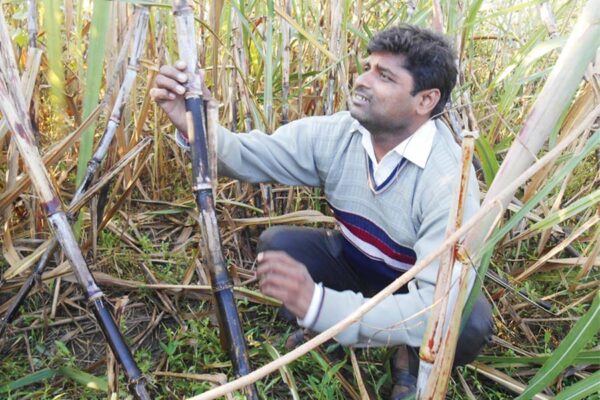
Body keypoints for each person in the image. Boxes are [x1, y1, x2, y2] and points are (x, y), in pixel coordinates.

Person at [151, 24, 494, 399]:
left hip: (412, 289)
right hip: (358, 265)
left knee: (466, 322)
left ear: (425, 100)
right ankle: (337, 326)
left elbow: (434, 305)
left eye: (384, 76)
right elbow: (248, 157)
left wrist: (318, 305)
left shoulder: (447, 183)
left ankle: (408, 357)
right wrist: (192, 122)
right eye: (367, 67)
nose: (362, 81)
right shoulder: (338, 136)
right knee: (278, 247)